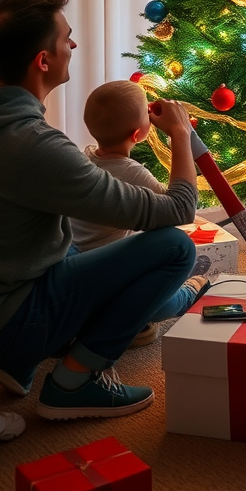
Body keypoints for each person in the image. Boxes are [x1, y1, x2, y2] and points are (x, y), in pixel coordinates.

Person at [0, 0, 199, 420]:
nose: (73, 45)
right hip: (7, 316)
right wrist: (180, 135)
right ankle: (73, 382)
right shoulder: (32, 146)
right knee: (175, 248)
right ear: (44, 61)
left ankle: (18, 359)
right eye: (66, 39)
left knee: (78, 247)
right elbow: (179, 210)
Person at [69, 79, 211, 344]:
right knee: (164, 303)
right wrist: (179, 132)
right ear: (138, 134)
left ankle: (99, 319)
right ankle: (190, 292)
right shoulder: (132, 172)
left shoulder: (82, 158)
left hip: (77, 271)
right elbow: (179, 206)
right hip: (110, 275)